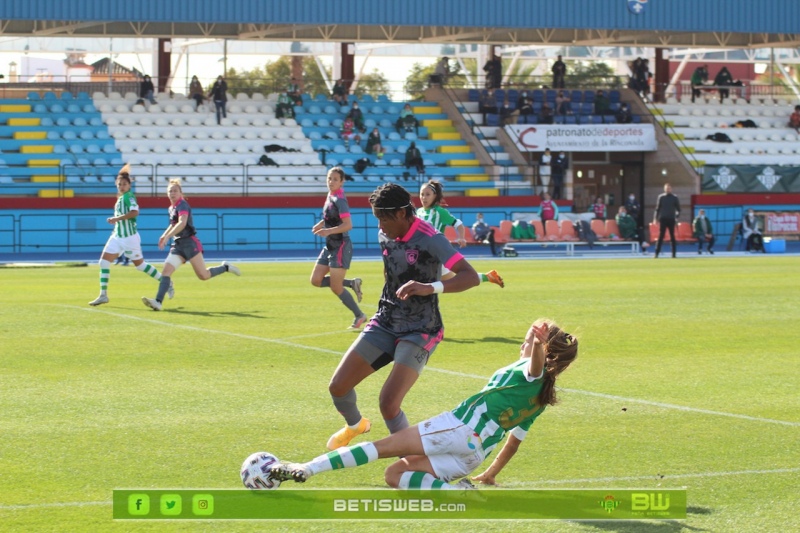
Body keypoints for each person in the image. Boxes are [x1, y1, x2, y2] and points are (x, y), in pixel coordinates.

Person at [269, 319, 578, 490]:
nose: (523, 341)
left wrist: (538, 344)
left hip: (458, 429)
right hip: (473, 457)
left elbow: (534, 365)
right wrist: (490, 473)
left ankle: (306, 469)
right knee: (394, 475)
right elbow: (512, 444)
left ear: (545, 352)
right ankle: (453, 493)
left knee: (380, 447)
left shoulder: (528, 372)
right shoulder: (541, 399)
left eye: (530, 339)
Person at [322, 183, 480, 451]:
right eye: (377, 219)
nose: (380, 226)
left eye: (383, 218)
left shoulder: (431, 238)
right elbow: (392, 272)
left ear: (400, 214)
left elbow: (471, 276)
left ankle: (411, 464)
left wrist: (429, 287)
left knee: (388, 402)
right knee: (337, 387)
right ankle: (355, 425)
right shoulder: (385, 234)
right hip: (385, 320)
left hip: (421, 328)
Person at [141, 179, 240, 311]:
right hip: (178, 245)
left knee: (203, 275)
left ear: (181, 193)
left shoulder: (182, 205)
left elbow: (182, 223)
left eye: (175, 190)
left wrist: (168, 236)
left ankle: (225, 267)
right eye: (170, 191)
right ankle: (158, 302)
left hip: (189, 243)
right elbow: (172, 224)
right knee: (166, 271)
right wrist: (164, 235)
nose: (172, 193)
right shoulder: (171, 208)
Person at [89, 164, 173, 306]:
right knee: (103, 262)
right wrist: (116, 221)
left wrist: (116, 219)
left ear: (129, 186)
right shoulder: (121, 198)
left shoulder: (129, 197)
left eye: (124, 184)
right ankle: (103, 295)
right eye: (119, 184)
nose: (121, 186)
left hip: (129, 238)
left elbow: (135, 212)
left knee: (140, 266)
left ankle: (166, 282)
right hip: (117, 236)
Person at [417, 180, 504, 288]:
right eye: (422, 194)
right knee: (452, 280)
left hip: (436, 252)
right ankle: (489, 276)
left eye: (427, 194)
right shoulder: (418, 212)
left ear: (435, 196)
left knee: (426, 280)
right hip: (424, 251)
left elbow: (458, 224)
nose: (424, 197)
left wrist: (461, 238)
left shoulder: (440, 212)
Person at [310, 167, 366, 331]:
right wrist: (321, 224)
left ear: (342, 182)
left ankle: (359, 315)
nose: (331, 182)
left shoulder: (340, 200)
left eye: (335, 179)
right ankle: (351, 283)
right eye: (329, 178)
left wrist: (328, 231)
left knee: (336, 287)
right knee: (315, 280)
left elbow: (348, 225)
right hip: (330, 245)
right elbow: (330, 217)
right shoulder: (330, 195)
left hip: (341, 245)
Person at [653, 182, 680, 259]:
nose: (668, 189)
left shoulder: (675, 198)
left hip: (671, 219)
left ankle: (673, 254)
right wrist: (655, 218)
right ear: (664, 189)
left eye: (669, 188)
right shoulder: (661, 197)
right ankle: (656, 253)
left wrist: (676, 216)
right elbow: (657, 209)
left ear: (671, 189)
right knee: (661, 236)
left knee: (672, 236)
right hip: (663, 219)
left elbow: (678, 209)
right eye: (666, 188)